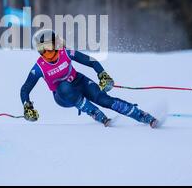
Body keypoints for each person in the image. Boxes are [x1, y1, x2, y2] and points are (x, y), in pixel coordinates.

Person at [20, 29, 159, 128]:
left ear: (56, 45)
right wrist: (27, 107)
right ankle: (94, 112)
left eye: (48, 48)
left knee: (104, 99)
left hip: (79, 82)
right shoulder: (39, 67)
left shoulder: (66, 53)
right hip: (62, 96)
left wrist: (102, 75)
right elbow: (25, 89)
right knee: (63, 86)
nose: (46, 53)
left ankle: (142, 116)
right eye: (41, 49)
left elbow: (91, 61)